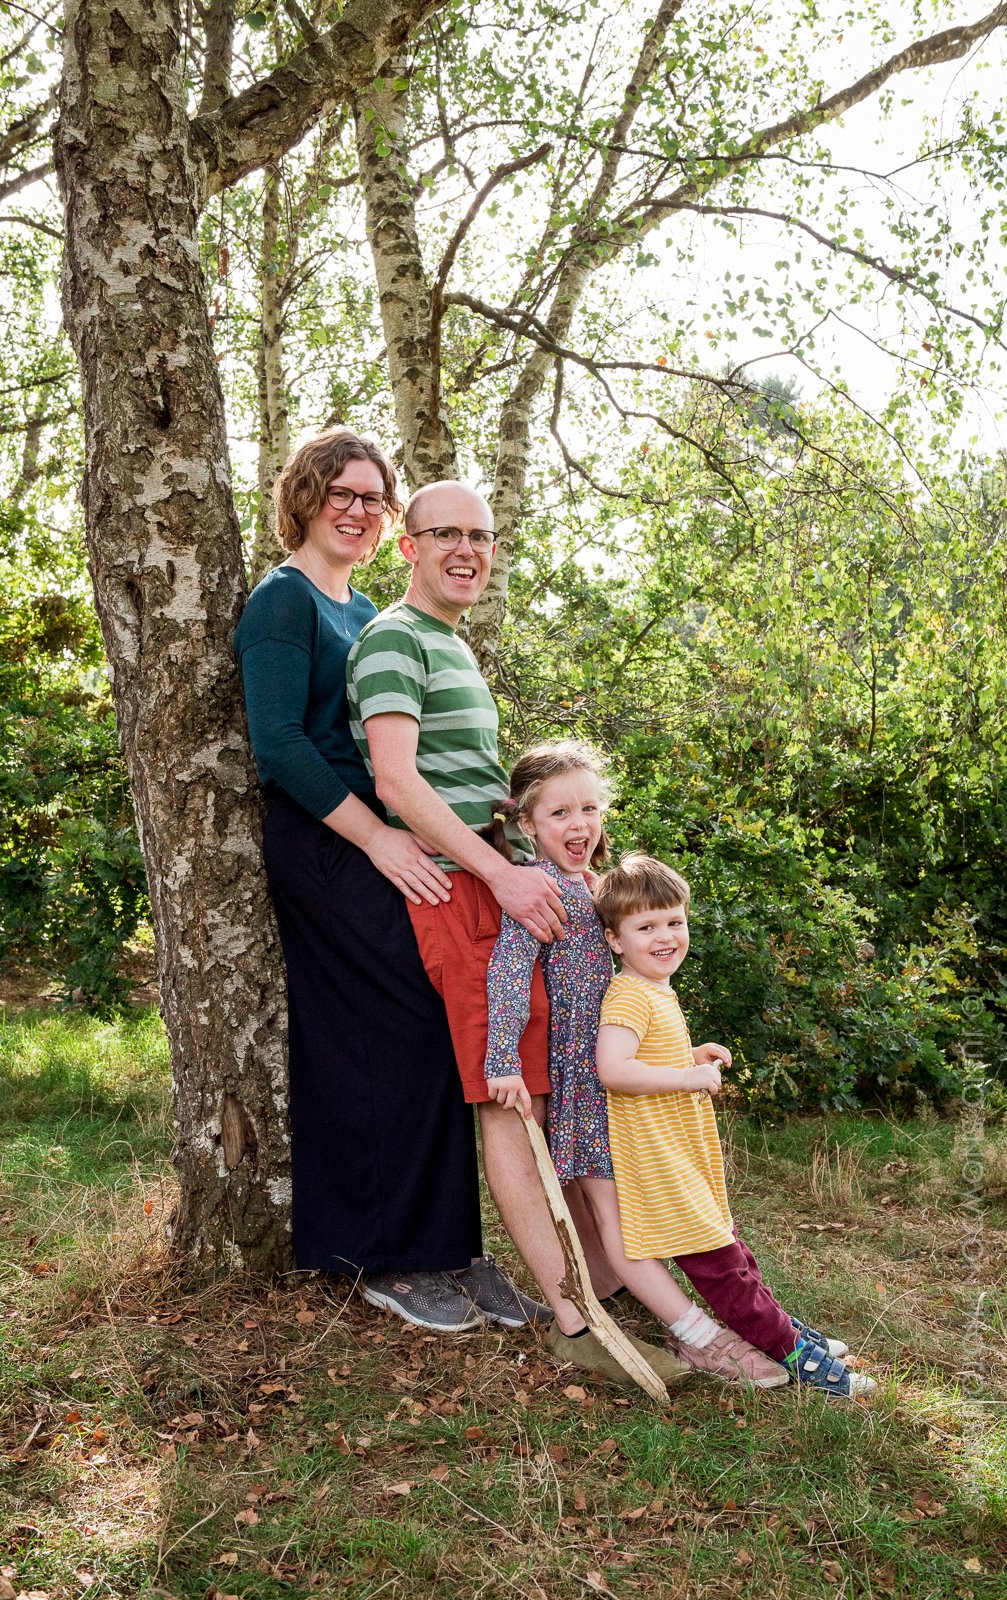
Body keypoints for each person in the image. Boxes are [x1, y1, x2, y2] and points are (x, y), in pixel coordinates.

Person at [346, 481, 691, 1391]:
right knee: (508, 1098)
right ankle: (572, 1318)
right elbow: (397, 781)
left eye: (480, 535)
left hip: (492, 884)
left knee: (539, 1084)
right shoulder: (393, 638)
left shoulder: (446, 643)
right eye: (444, 533)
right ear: (406, 546)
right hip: (458, 889)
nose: (466, 549)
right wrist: (498, 872)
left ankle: (601, 1279)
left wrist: (532, 866)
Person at [234, 429, 543, 1333]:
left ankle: (449, 1243)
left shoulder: (358, 606)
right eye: (343, 491)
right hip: (328, 838)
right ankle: (382, 1255)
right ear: (305, 496)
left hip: (381, 835)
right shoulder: (282, 603)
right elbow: (280, 742)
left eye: (374, 497)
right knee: (395, 1023)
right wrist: (376, 838)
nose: (359, 509)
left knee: (441, 1025)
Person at [483, 741, 789, 1385]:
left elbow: (633, 998)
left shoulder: (602, 891)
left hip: (631, 1091)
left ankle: (744, 1322)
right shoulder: (540, 891)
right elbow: (509, 976)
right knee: (622, 1225)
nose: (578, 825)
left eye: (589, 808)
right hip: (588, 1091)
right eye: (559, 813)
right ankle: (701, 1339)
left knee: (653, 1213)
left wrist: (683, 1053)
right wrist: (503, 1056)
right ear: (526, 824)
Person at [594, 853, 876, 1399]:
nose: (665, 935)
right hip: (656, 1157)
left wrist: (688, 1052)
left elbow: (644, 1055)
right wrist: (687, 1074)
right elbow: (613, 1068)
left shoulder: (654, 990)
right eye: (646, 926)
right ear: (614, 940)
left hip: (676, 1150)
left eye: (674, 921)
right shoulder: (628, 994)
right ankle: (799, 1359)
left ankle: (785, 1333)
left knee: (731, 1250)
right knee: (720, 1264)